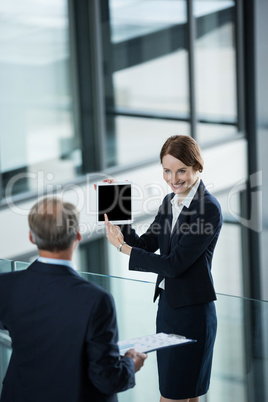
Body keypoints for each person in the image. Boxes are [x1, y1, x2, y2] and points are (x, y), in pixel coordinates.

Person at [104, 135, 222, 402]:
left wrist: (123, 249)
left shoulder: (208, 209)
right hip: (169, 308)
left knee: (173, 397)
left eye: (181, 170)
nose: (173, 178)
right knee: (185, 397)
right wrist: (116, 202)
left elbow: (174, 264)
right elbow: (146, 242)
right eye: (167, 171)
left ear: (197, 167)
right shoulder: (170, 202)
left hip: (192, 315)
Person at [0, 197, 147, 402]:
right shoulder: (97, 299)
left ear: (32, 238)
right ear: (77, 236)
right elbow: (107, 379)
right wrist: (131, 363)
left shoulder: (6, 285)